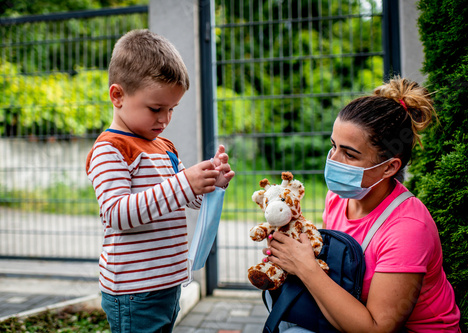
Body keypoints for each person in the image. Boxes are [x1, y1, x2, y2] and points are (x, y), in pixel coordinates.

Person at [264, 77, 461, 332]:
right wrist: (292, 252)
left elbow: (377, 328)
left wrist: (305, 267)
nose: (333, 160)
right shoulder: (338, 198)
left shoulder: (408, 229)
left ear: (390, 166)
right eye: (333, 146)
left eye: (350, 154)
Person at [85, 29, 234, 333]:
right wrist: (185, 183)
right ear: (118, 95)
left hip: (167, 284)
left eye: (171, 109)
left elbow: (185, 199)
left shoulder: (164, 147)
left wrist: (210, 182)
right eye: (156, 109)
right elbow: (117, 214)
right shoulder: (110, 149)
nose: (164, 119)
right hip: (133, 291)